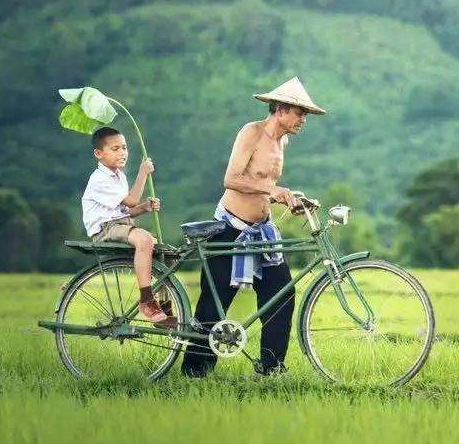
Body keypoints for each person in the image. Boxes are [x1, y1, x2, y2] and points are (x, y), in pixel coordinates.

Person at [182, 77, 326, 377]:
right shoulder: (252, 132)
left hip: (263, 230)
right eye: (300, 113)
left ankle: (271, 368)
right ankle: (194, 374)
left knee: (281, 294)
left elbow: (266, 186)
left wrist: (290, 199)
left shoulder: (282, 141)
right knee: (214, 304)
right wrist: (272, 191)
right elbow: (231, 179)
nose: (303, 120)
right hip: (230, 228)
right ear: (282, 109)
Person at [81, 126, 171, 326]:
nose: (122, 153)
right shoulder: (99, 179)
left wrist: (145, 207)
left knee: (167, 253)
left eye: (124, 147)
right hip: (105, 229)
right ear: (99, 153)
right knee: (145, 240)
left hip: (120, 224)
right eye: (115, 149)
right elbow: (130, 201)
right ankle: (146, 300)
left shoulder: (118, 176)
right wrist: (143, 173)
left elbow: (127, 211)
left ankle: (166, 305)